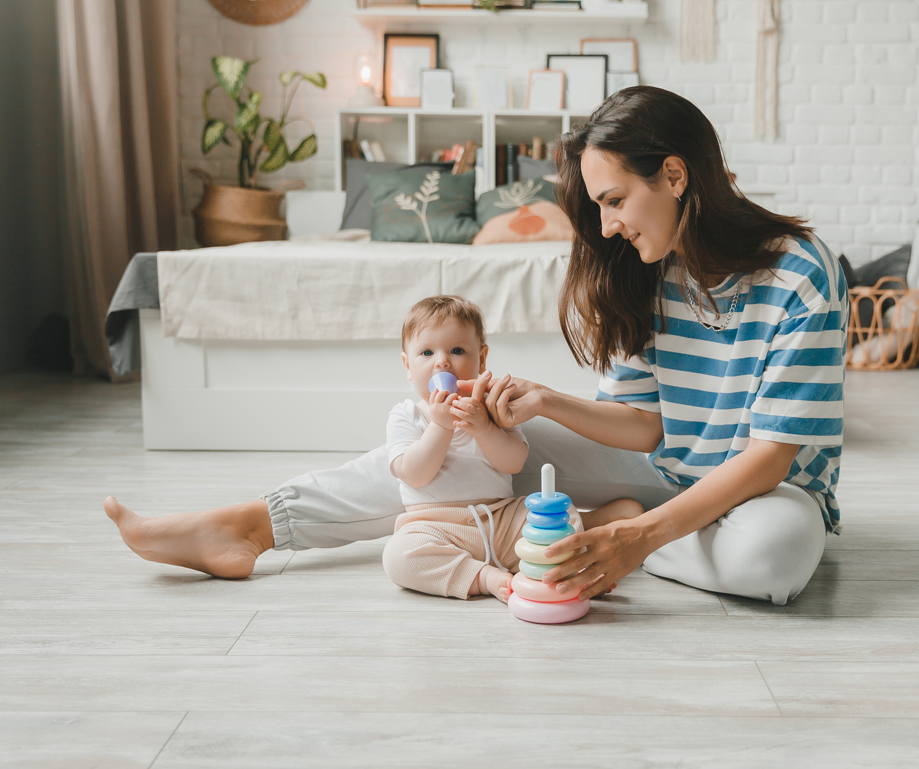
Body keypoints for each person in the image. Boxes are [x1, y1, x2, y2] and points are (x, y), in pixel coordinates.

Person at [104, 85, 846, 606]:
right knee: (461, 438)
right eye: (599, 209)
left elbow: (769, 456)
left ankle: (604, 530)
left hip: (762, 495)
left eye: (616, 201)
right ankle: (252, 525)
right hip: (665, 473)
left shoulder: (798, 271)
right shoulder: (646, 273)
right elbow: (646, 427)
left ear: (676, 175)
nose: (609, 226)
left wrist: (637, 537)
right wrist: (543, 402)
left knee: (770, 561)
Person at [380, 294, 640, 601]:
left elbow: (513, 462)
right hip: (436, 527)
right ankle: (483, 577)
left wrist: (486, 429)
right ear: (407, 365)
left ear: (481, 359)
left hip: (501, 520)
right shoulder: (406, 415)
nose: (443, 361)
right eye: (426, 352)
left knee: (558, 513)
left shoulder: (493, 407)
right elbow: (413, 474)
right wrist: (440, 426)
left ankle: (581, 555)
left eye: (457, 350)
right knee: (398, 556)